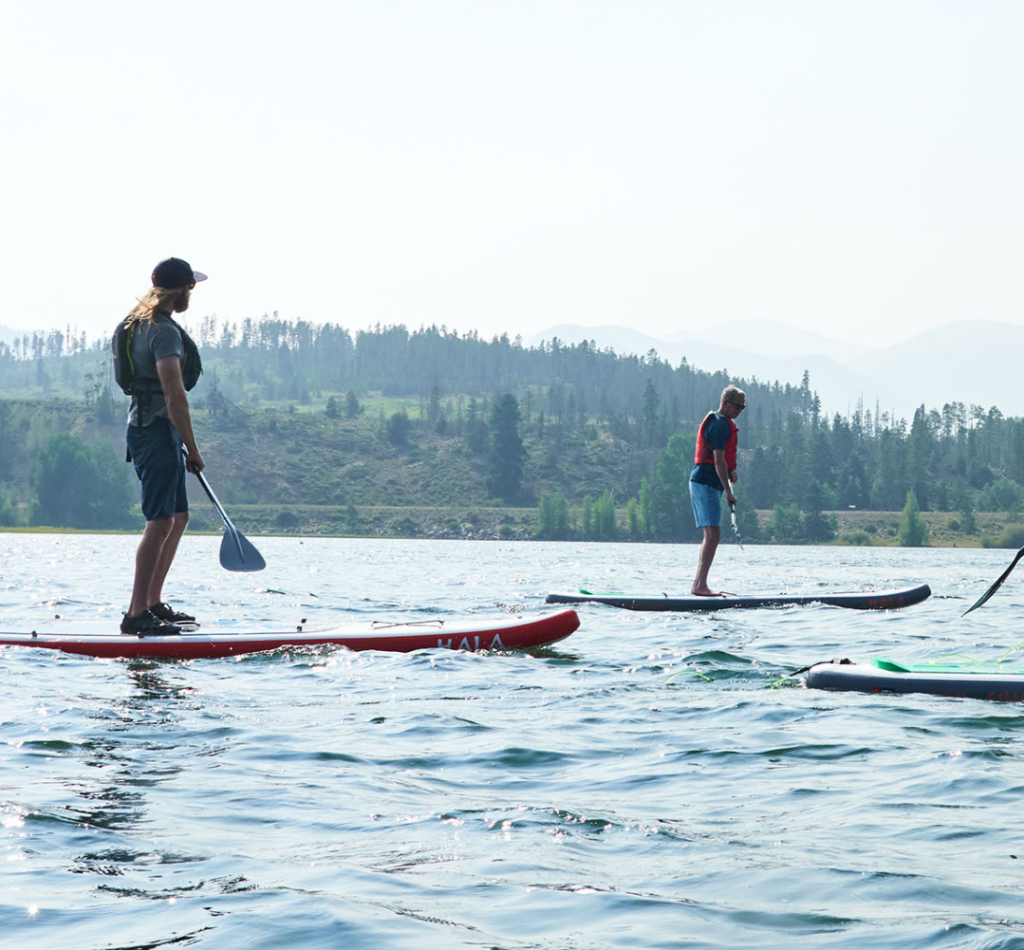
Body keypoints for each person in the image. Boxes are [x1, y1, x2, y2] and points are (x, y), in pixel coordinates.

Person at [120, 257, 207, 635]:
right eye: (192, 287)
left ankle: (153, 603)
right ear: (183, 290)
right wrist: (193, 447)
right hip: (154, 431)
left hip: (153, 430)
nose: (193, 292)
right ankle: (136, 613)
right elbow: (174, 394)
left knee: (178, 517)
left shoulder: (134, 324)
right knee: (160, 521)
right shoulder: (163, 332)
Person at [689, 385, 746, 596]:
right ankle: (700, 586)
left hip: (707, 484)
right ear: (725, 403)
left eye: (743, 407)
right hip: (705, 483)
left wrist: (732, 472)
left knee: (712, 535)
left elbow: (724, 462)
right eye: (737, 406)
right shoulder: (720, 425)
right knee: (713, 535)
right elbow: (718, 461)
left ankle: (698, 585)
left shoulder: (722, 424)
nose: (740, 410)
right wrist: (729, 492)